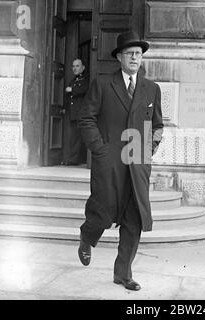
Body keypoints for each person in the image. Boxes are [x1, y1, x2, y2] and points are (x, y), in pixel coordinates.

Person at [77, 31, 164, 291]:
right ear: (119, 58)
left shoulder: (152, 89)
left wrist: (147, 152)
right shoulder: (103, 84)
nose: (135, 57)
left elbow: (157, 126)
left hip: (137, 165)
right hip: (108, 163)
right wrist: (99, 150)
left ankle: (123, 273)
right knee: (102, 213)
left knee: (133, 219)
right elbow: (86, 118)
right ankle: (86, 237)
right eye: (129, 53)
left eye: (138, 53)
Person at [64, 59, 89, 165]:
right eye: (73, 66)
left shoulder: (85, 79)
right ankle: (74, 159)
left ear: (83, 67)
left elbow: (84, 89)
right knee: (75, 137)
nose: (75, 68)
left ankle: (76, 160)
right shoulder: (73, 80)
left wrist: (72, 90)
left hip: (81, 113)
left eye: (77, 66)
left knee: (79, 138)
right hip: (73, 114)